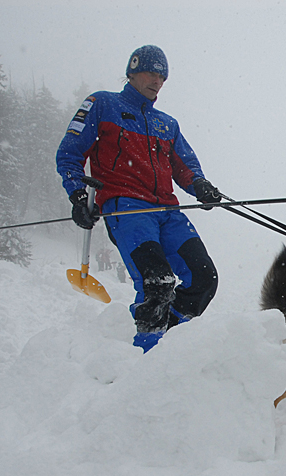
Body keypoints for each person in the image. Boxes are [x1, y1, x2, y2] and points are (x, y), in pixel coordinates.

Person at [56, 45, 220, 352]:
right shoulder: (102, 104)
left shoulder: (167, 124)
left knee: (204, 279)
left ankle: (166, 342)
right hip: (127, 208)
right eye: (151, 73)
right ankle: (143, 354)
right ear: (132, 72)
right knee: (155, 282)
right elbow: (69, 153)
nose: (157, 81)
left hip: (168, 213)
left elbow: (185, 168)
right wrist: (79, 196)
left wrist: (201, 186)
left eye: (162, 76)